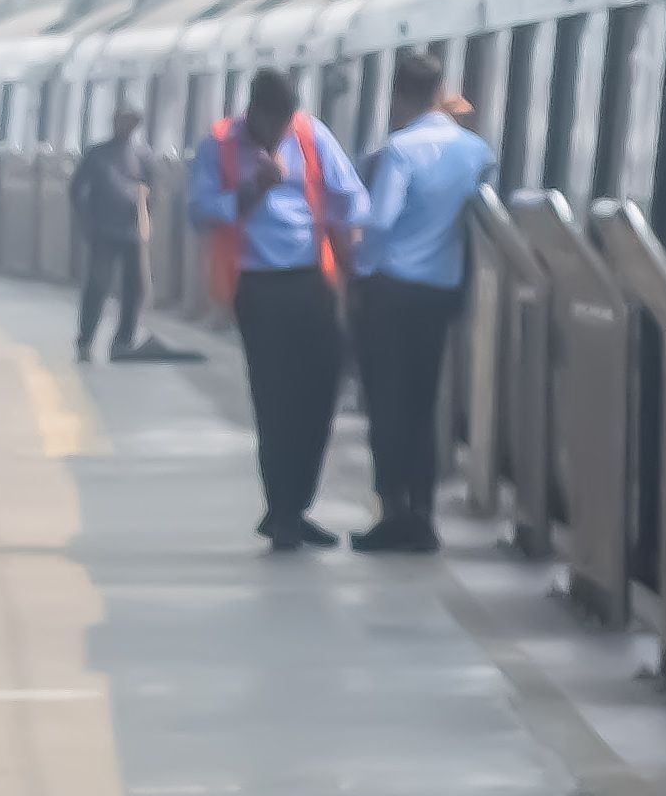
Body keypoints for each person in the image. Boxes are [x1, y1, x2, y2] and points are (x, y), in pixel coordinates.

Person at [188, 66, 365, 550]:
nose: (282, 131)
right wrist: (252, 190)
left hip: (312, 279)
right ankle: (281, 509)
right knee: (274, 399)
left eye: (288, 121)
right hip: (257, 286)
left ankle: (297, 505)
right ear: (254, 115)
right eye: (274, 123)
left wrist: (354, 259)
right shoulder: (220, 144)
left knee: (322, 390)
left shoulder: (311, 135)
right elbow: (200, 210)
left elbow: (348, 196)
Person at [349, 47, 499, 554]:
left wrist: (359, 273)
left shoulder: (400, 150)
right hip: (439, 294)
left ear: (397, 96)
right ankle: (424, 514)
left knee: (386, 407)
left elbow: (379, 222)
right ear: (440, 92)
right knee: (421, 405)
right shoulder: (476, 152)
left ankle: (393, 513)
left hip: (390, 293)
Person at [67, 105, 157, 361]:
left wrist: (146, 216)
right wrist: (86, 220)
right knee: (97, 286)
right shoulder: (97, 154)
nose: (126, 127)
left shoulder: (142, 156)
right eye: (122, 121)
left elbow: (151, 192)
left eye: (131, 123)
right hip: (103, 231)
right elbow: (76, 189)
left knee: (134, 288)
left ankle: (123, 341)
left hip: (132, 233)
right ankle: (85, 340)